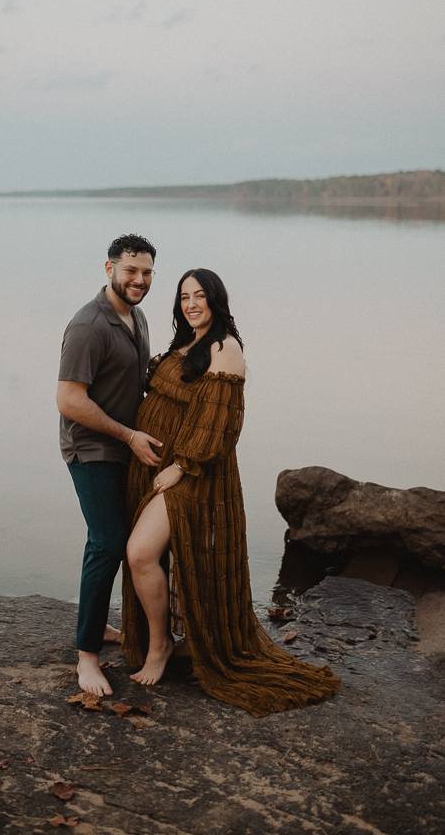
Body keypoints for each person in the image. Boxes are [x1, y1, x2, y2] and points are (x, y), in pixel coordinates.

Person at [122, 268, 340, 716]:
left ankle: (161, 646)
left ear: (216, 300)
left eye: (200, 295)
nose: (191, 303)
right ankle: (166, 638)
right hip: (158, 467)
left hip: (195, 475)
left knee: (140, 552)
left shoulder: (225, 348)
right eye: (184, 296)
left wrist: (181, 465)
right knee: (151, 556)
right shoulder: (183, 345)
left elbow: (222, 423)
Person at [57, 234, 162, 697]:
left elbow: (129, 383)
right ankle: (86, 659)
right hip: (91, 449)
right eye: (130, 271)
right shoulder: (88, 326)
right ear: (109, 269)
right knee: (109, 542)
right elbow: (69, 399)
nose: (139, 280)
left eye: (147, 273)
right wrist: (127, 435)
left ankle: (96, 625)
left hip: (124, 449)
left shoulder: (135, 316)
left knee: (107, 540)